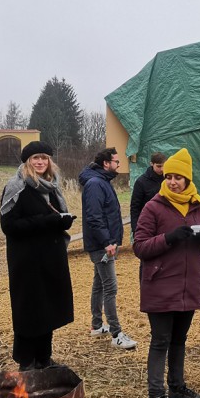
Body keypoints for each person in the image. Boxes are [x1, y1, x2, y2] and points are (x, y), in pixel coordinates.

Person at [132, 148, 200, 398]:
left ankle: (177, 388)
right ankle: (155, 396)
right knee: (160, 341)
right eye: (168, 176)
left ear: (188, 179)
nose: (172, 182)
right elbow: (140, 246)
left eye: (178, 177)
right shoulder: (153, 206)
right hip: (160, 284)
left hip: (188, 284)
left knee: (180, 339)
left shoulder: (199, 206)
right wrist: (169, 237)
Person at [0, 141, 77, 371]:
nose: (40, 162)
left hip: (51, 258)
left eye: (44, 158)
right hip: (27, 261)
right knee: (29, 310)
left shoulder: (51, 186)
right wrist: (49, 221)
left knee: (49, 309)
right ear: (27, 162)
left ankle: (44, 359)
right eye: (35, 158)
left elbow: (52, 218)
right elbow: (9, 226)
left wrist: (62, 221)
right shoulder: (17, 187)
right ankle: (27, 361)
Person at [78, 147, 138, 349]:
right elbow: (94, 217)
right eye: (116, 161)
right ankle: (117, 334)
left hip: (103, 243)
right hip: (102, 245)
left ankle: (96, 326)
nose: (119, 165)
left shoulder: (101, 181)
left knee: (99, 285)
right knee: (110, 287)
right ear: (106, 163)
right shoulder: (95, 184)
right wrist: (107, 242)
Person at [129, 152, 166, 244]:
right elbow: (135, 207)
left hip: (164, 223)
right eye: (158, 166)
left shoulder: (168, 180)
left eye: (164, 166)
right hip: (147, 224)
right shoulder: (141, 182)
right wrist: (135, 229)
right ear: (151, 164)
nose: (161, 169)